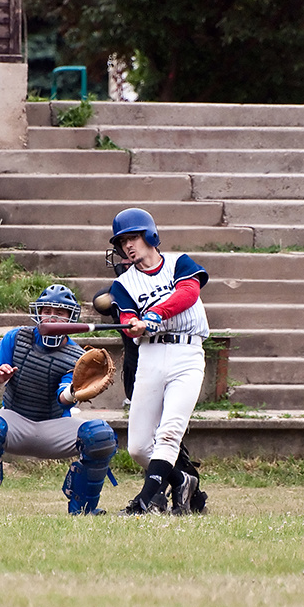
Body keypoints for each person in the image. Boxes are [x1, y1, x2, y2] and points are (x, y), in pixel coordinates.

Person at [0, 284, 119, 516]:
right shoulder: (16, 338)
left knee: (100, 436)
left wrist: (74, 392)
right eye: (46, 311)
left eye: (60, 312)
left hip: (54, 423)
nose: (52, 317)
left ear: (71, 318)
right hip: (16, 418)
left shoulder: (78, 356)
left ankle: (83, 508)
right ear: (38, 313)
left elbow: (63, 399)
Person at [106, 208, 208, 516]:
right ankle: (182, 480)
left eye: (133, 237)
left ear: (150, 235)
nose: (128, 246)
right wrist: (133, 324)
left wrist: (154, 315)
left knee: (168, 434)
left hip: (186, 353)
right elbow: (126, 317)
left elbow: (189, 293)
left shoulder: (180, 263)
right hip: (150, 356)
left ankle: (145, 500)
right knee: (138, 447)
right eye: (123, 241)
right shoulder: (123, 284)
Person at [92, 249, 138, 403]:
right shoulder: (116, 291)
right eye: (122, 258)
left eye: (127, 258)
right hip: (133, 359)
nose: (123, 262)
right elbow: (99, 303)